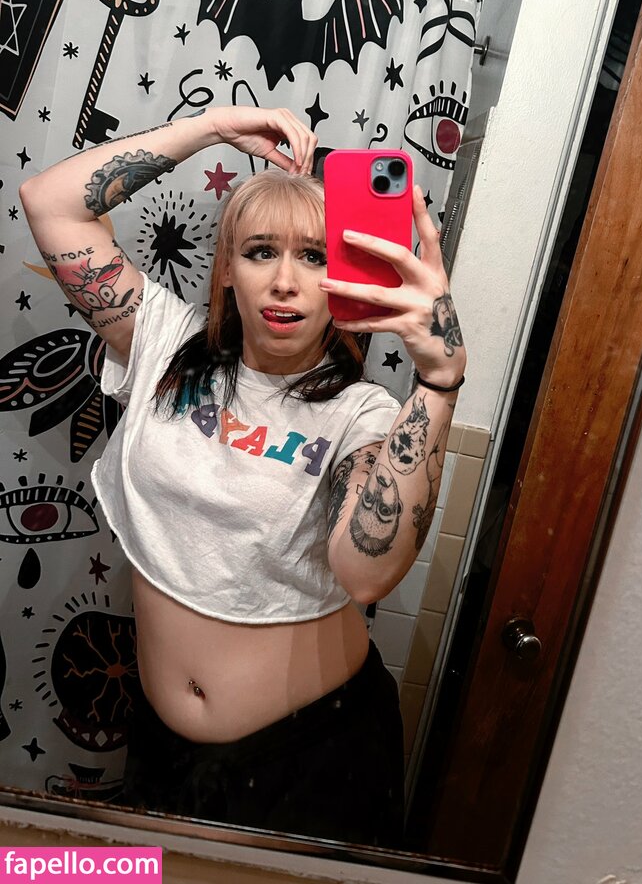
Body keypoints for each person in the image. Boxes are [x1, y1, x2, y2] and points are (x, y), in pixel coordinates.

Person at [19, 106, 466, 847]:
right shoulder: (166, 342)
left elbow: (366, 574)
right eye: (261, 251)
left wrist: (439, 383)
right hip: (159, 744)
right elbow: (50, 203)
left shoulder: (363, 413)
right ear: (227, 268)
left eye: (316, 257)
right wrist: (214, 127)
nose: (286, 282)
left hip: (310, 760)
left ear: (346, 277)